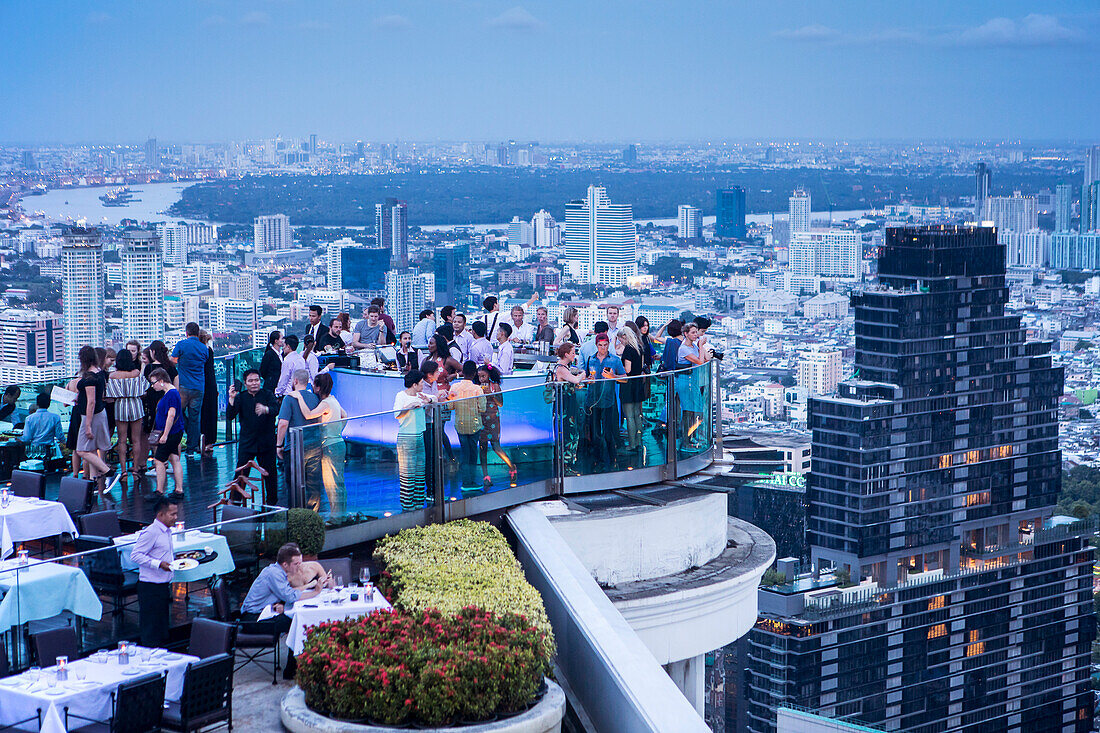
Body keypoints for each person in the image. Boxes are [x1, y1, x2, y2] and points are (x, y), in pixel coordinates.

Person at [241, 543, 333, 679]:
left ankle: (296, 668)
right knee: (297, 621)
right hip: (252, 620)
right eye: (296, 564)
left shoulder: (277, 572)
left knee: (297, 619)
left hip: (261, 613)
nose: (299, 566)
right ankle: (292, 671)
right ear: (285, 564)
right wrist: (316, 592)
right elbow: (291, 596)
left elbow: (286, 595)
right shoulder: (274, 574)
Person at [290, 372, 347, 515]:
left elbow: (308, 415)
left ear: (318, 387)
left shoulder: (325, 403)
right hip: (338, 442)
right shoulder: (334, 400)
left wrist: (299, 396)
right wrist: (337, 430)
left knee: (332, 484)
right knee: (338, 482)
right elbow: (344, 415)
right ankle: (340, 515)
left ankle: (336, 517)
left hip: (330, 446)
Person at [131, 494, 179, 647]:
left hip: (163, 586)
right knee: (151, 629)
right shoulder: (151, 532)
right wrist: (158, 564)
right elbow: (136, 555)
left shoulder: (167, 531)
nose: (175, 517)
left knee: (162, 627)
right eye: (172, 514)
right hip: (150, 588)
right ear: (160, 514)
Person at [228, 369, 279, 505]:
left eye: (256, 380)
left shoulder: (267, 394)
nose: (254, 383)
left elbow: (275, 409)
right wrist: (232, 399)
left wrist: (265, 409)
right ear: (245, 383)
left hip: (266, 442)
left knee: (270, 474)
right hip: (247, 442)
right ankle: (235, 503)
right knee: (241, 474)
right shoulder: (241, 397)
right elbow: (230, 416)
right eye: (251, 381)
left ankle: (272, 504)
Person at [277, 369, 321, 508]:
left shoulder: (289, 398)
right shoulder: (315, 398)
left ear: (294, 381)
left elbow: (283, 423)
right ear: (308, 381)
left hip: (295, 448)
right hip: (314, 446)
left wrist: (279, 445)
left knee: (294, 485)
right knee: (313, 485)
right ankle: (312, 516)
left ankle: (296, 516)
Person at [583, 333, 626, 468]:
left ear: (609, 345)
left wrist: (613, 376)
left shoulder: (615, 360)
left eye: (605, 345)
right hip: (593, 401)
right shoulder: (591, 359)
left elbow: (625, 378)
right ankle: (598, 461)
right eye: (600, 345)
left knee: (609, 434)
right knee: (595, 434)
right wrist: (588, 380)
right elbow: (586, 378)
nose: (603, 348)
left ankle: (613, 460)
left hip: (608, 402)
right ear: (596, 345)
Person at [75, 345, 113, 492]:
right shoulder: (100, 373)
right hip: (99, 413)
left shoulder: (89, 377)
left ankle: (107, 471)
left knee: (82, 450)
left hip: (90, 416)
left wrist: (88, 425)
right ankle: (93, 481)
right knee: (90, 449)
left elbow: (91, 402)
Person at [394, 369, 432, 511]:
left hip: (419, 436)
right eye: (421, 383)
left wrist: (428, 400)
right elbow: (397, 414)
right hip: (406, 438)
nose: (423, 385)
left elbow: (433, 398)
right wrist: (409, 407)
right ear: (414, 384)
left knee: (420, 471)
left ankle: (418, 502)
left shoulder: (420, 395)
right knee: (407, 472)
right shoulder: (401, 396)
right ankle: (407, 504)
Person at [107, 348, 147, 480]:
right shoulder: (136, 373)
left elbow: (110, 396)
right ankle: (135, 470)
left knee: (122, 440)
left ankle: (123, 472)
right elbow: (144, 391)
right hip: (135, 404)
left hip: (120, 406)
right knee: (136, 440)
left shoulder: (112, 376)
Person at [172, 322, 210, 456]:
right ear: (198, 333)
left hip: (183, 386)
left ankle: (190, 439)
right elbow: (205, 360)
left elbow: (173, 359)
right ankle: (191, 448)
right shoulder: (204, 348)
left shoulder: (181, 344)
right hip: (199, 387)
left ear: (186, 332)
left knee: (179, 413)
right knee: (195, 417)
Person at [448, 361, 486, 491]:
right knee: (473, 453)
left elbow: (449, 406)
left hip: (460, 425)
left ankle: (465, 481)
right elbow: (482, 408)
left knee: (465, 453)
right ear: (474, 374)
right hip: (475, 425)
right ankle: (470, 482)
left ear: (462, 372)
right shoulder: (477, 389)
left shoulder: (454, 388)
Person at [477, 365, 515, 487]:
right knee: (482, 447)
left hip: (493, 419)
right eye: (479, 377)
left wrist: (491, 394)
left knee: (496, 446)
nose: (481, 379)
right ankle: (485, 476)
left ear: (489, 375)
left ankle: (512, 466)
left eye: (483, 376)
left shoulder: (496, 386)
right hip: (481, 418)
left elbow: (501, 403)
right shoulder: (477, 388)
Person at [148, 367, 183, 497]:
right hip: (175, 431)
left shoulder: (171, 394)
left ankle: (159, 490)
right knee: (174, 458)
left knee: (159, 460)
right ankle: (179, 490)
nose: (152, 386)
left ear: (161, 380)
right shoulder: (171, 393)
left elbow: (171, 415)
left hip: (170, 432)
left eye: (153, 383)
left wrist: (165, 435)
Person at [676, 322, 711, 450]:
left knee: (693, 412)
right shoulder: (684, 348)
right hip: (685, 381)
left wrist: (701, 346)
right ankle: (684, 441)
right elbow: (700, 362)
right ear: (686, 334)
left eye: (696, 332)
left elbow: (707, 358)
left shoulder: (693, 347)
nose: (696, 335)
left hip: (693, 381)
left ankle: (689, 438)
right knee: (687, 411)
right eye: (693, 332)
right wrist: (700, 346)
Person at [553, 343, 586, 466]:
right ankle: (566, 465)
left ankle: (567, 463)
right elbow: (576, 380)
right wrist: (582, 374)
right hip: (565, 406)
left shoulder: (563, 367)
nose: (574, 355)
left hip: (566, 404)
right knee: (569, 433)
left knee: (570, 432)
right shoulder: (561, 368)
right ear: (566, 354)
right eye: (573, 353)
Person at [618, 323, 645, 451]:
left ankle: (632, 444)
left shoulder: (628, 350)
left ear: (624, 336)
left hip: (628, 385)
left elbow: (627, 370)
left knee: (629, 416)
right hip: (638, 383)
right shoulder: (639, 348)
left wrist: (617, 371)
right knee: (636, 414)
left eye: (620, 339)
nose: (620, 342)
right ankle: (639, 441)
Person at [200, 331, 218, 454]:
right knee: (211, 412)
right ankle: (210, 441)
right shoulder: (209, 350)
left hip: (202, 383)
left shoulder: (201, 351)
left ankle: (203, 440)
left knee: (203, 412)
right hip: (211, 384)